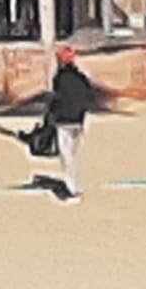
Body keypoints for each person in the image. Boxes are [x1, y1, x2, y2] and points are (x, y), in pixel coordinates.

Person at [47, 44, 97, 202]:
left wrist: (52, 113)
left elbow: (57, 97)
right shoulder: (81, 77)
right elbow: (90, 96)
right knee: (73, 155)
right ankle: (75, 185)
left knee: (66, 155)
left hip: (64, 120)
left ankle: (72, 189)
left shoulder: (60, 78)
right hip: (78, 120)